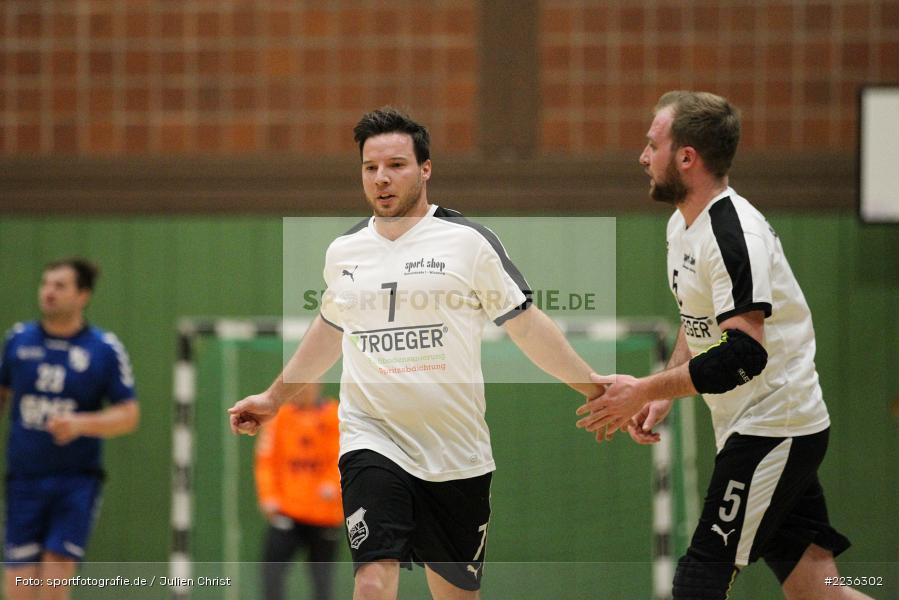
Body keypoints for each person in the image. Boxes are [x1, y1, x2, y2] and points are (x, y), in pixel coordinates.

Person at [229, 106, 605, 600]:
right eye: (370, 168)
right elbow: (329, 328)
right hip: (372, 436)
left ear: (425, 169)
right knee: (371, 577)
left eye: (396, 165)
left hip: (456, 453)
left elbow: (527, 325)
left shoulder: (467, 243)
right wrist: (275, 398)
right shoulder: (344, 252)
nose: (381, 179)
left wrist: (596, 388)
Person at [576, 91, 870, 600]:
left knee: (699, 582)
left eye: (653, 145)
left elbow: (745, 354)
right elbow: (701, 322)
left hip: (774, 427)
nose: (643, 157)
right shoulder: (683, 224)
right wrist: (663, 392)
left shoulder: (735, 233)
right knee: (819, 593)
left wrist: (643, 388)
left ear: (686, 157)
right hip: (753, 425)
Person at [0, 258, 140, 600]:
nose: (48, 292)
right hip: (24, 481)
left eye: (60, 286)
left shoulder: (103, 349)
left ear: (83, 296)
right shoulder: (18, 341)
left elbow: (129, 414)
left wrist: (81, 424)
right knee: (18, 588)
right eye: (45, 283)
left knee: (52, 584)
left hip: (75, 483)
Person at [255, 381, 342, 600]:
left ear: (318, 385)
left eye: (308, 385)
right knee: (271, 573)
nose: (303, 390)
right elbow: (266, 461)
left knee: (322, 582)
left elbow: (342, 456)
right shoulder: (279, 418)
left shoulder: (335, 415)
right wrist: (268, 497)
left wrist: (332, 484)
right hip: (287, 512)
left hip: (324, 514)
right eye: (298, 385)